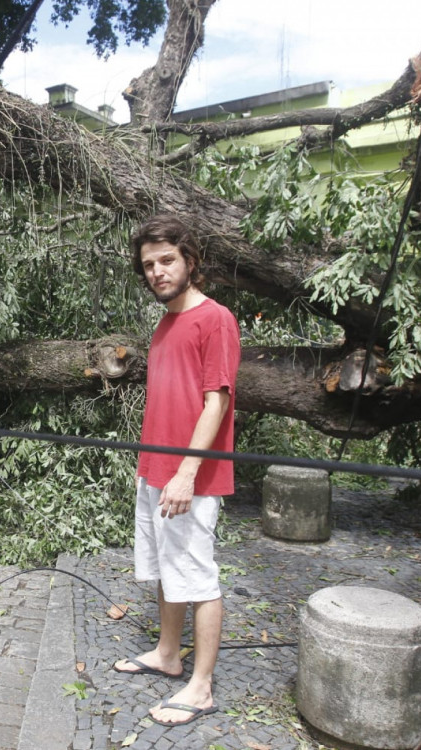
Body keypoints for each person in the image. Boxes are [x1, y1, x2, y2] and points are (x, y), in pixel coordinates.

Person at [113, 214, 240, 728]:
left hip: (193, 475)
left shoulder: (216, 319)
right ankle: (169, 653)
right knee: (167, 568)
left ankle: (202, 686)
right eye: (148, 265)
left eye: (167, 260)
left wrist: (187, 474)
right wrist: (154, 468)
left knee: (198, 576)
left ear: (191, 260)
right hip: (157, 469)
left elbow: (216, 404)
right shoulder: (165, 323)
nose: (157, 272)